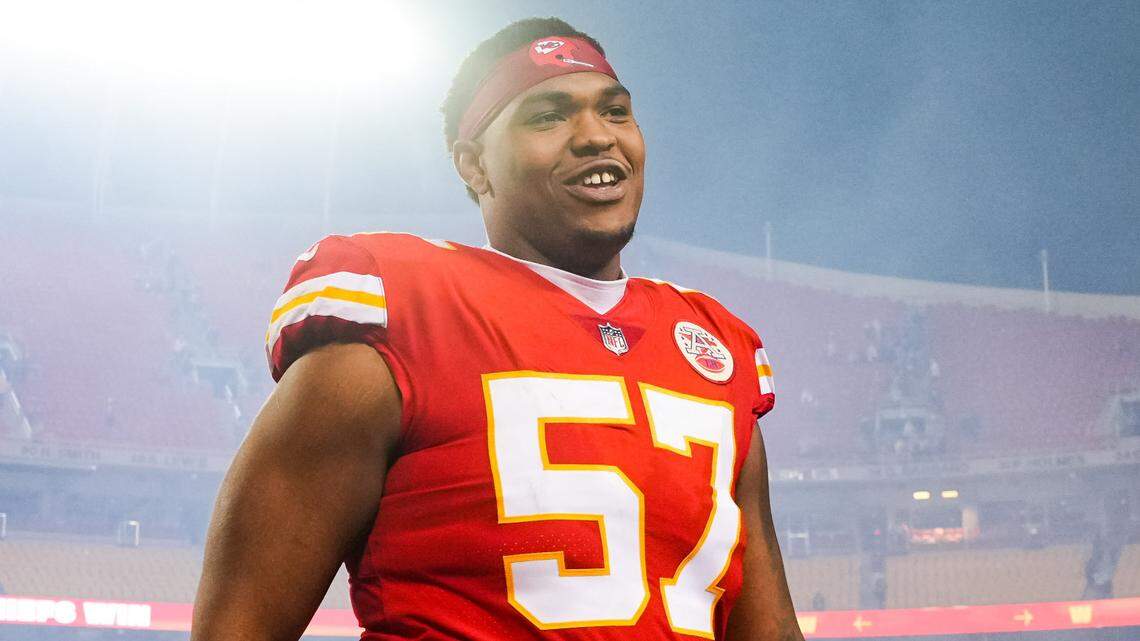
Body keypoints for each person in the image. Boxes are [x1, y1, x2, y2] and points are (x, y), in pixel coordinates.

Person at [191, 17, 801, 641]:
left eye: (616, 112)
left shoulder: (713, 345)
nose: (595, 137)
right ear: (475, 166)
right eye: (548, 116)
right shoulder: (403, 310)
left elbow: (769, 630)